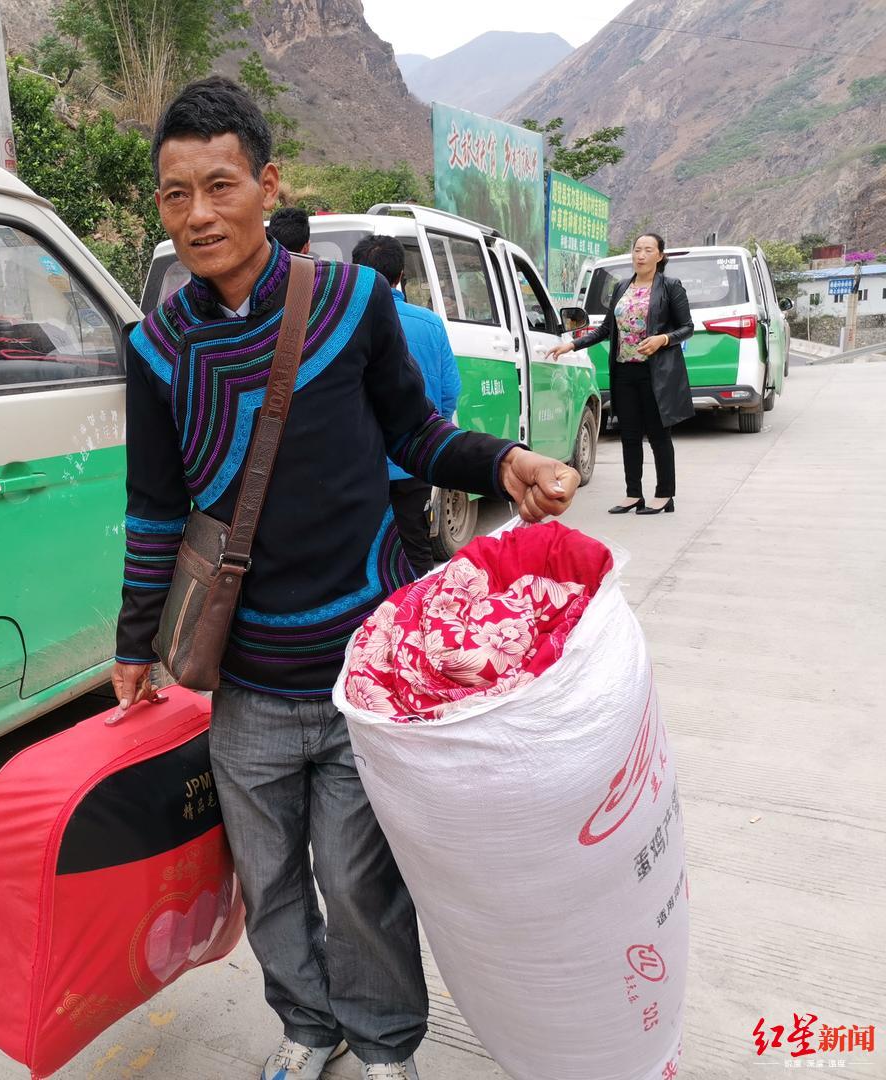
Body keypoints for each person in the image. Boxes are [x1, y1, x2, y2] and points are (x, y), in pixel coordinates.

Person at [112, 76, 580, 1080]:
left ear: (267, 182)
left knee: (362, 883)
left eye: (220, 185)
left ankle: (383, 1044)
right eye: (174, 194)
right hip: (247, 683)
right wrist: (132, 643)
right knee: (270, 881)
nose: (197, 214)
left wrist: (507, 463)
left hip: (366, 669)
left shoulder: (353, 304)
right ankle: (308, 1026)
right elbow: (154, 508)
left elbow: (417, 432)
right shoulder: (155, 351)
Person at [548, 233, 692, 514]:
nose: (640, 255)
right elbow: (606, 329)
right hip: (624, 371)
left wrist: (662, 340)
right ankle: (633, 493)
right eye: (637, 249)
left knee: (658, 434)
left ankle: (664, 494)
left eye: (648, 250)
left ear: (660, 256)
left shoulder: (671, 287)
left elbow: (687, 327)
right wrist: (573, 343)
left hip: (656, 373)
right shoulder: (622, 287)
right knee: (629, 434)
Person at [350, 234, 460, 577]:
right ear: (401, 274)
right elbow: (449, 393)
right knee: (416, 547)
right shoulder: (429, 323)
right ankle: (421, 619)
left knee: (366, 558)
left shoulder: (342, 323)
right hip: (413, 463)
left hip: (361, 467)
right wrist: (426, 440)